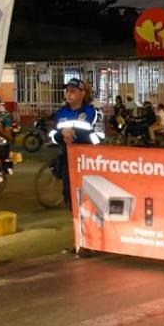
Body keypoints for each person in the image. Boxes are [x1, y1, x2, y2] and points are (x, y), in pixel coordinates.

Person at [49, 78, 105, 256]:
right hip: (67, 163)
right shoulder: (60, 113)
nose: (68, 94)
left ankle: (93, 242)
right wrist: (60, 136)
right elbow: (51, 136)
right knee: (72, 203)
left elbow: (100, 137)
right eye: (67, 91)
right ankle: (80, 241)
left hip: (88, 164)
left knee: (88, 203)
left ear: (82, 93)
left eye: (73, 90)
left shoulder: (93, 113)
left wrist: (77, 135)